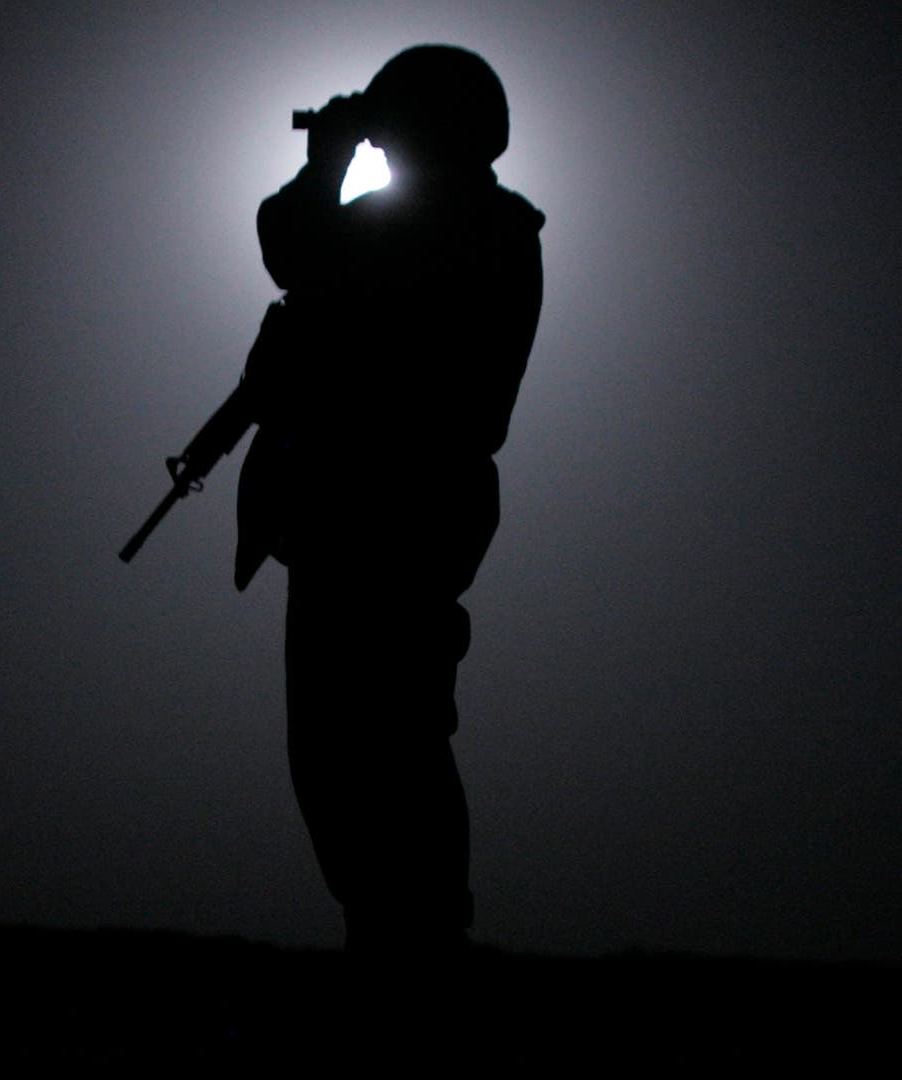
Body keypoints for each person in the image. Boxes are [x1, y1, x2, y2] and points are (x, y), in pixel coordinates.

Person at [234, 45, 544, 956]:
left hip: (390, 510)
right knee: (356, 743)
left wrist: (326, 163)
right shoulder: (462, 223)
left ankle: (414, 950)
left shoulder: (457, 227)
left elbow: (295, 251)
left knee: (378, 740)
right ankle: (397, 938)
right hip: (376, 507)